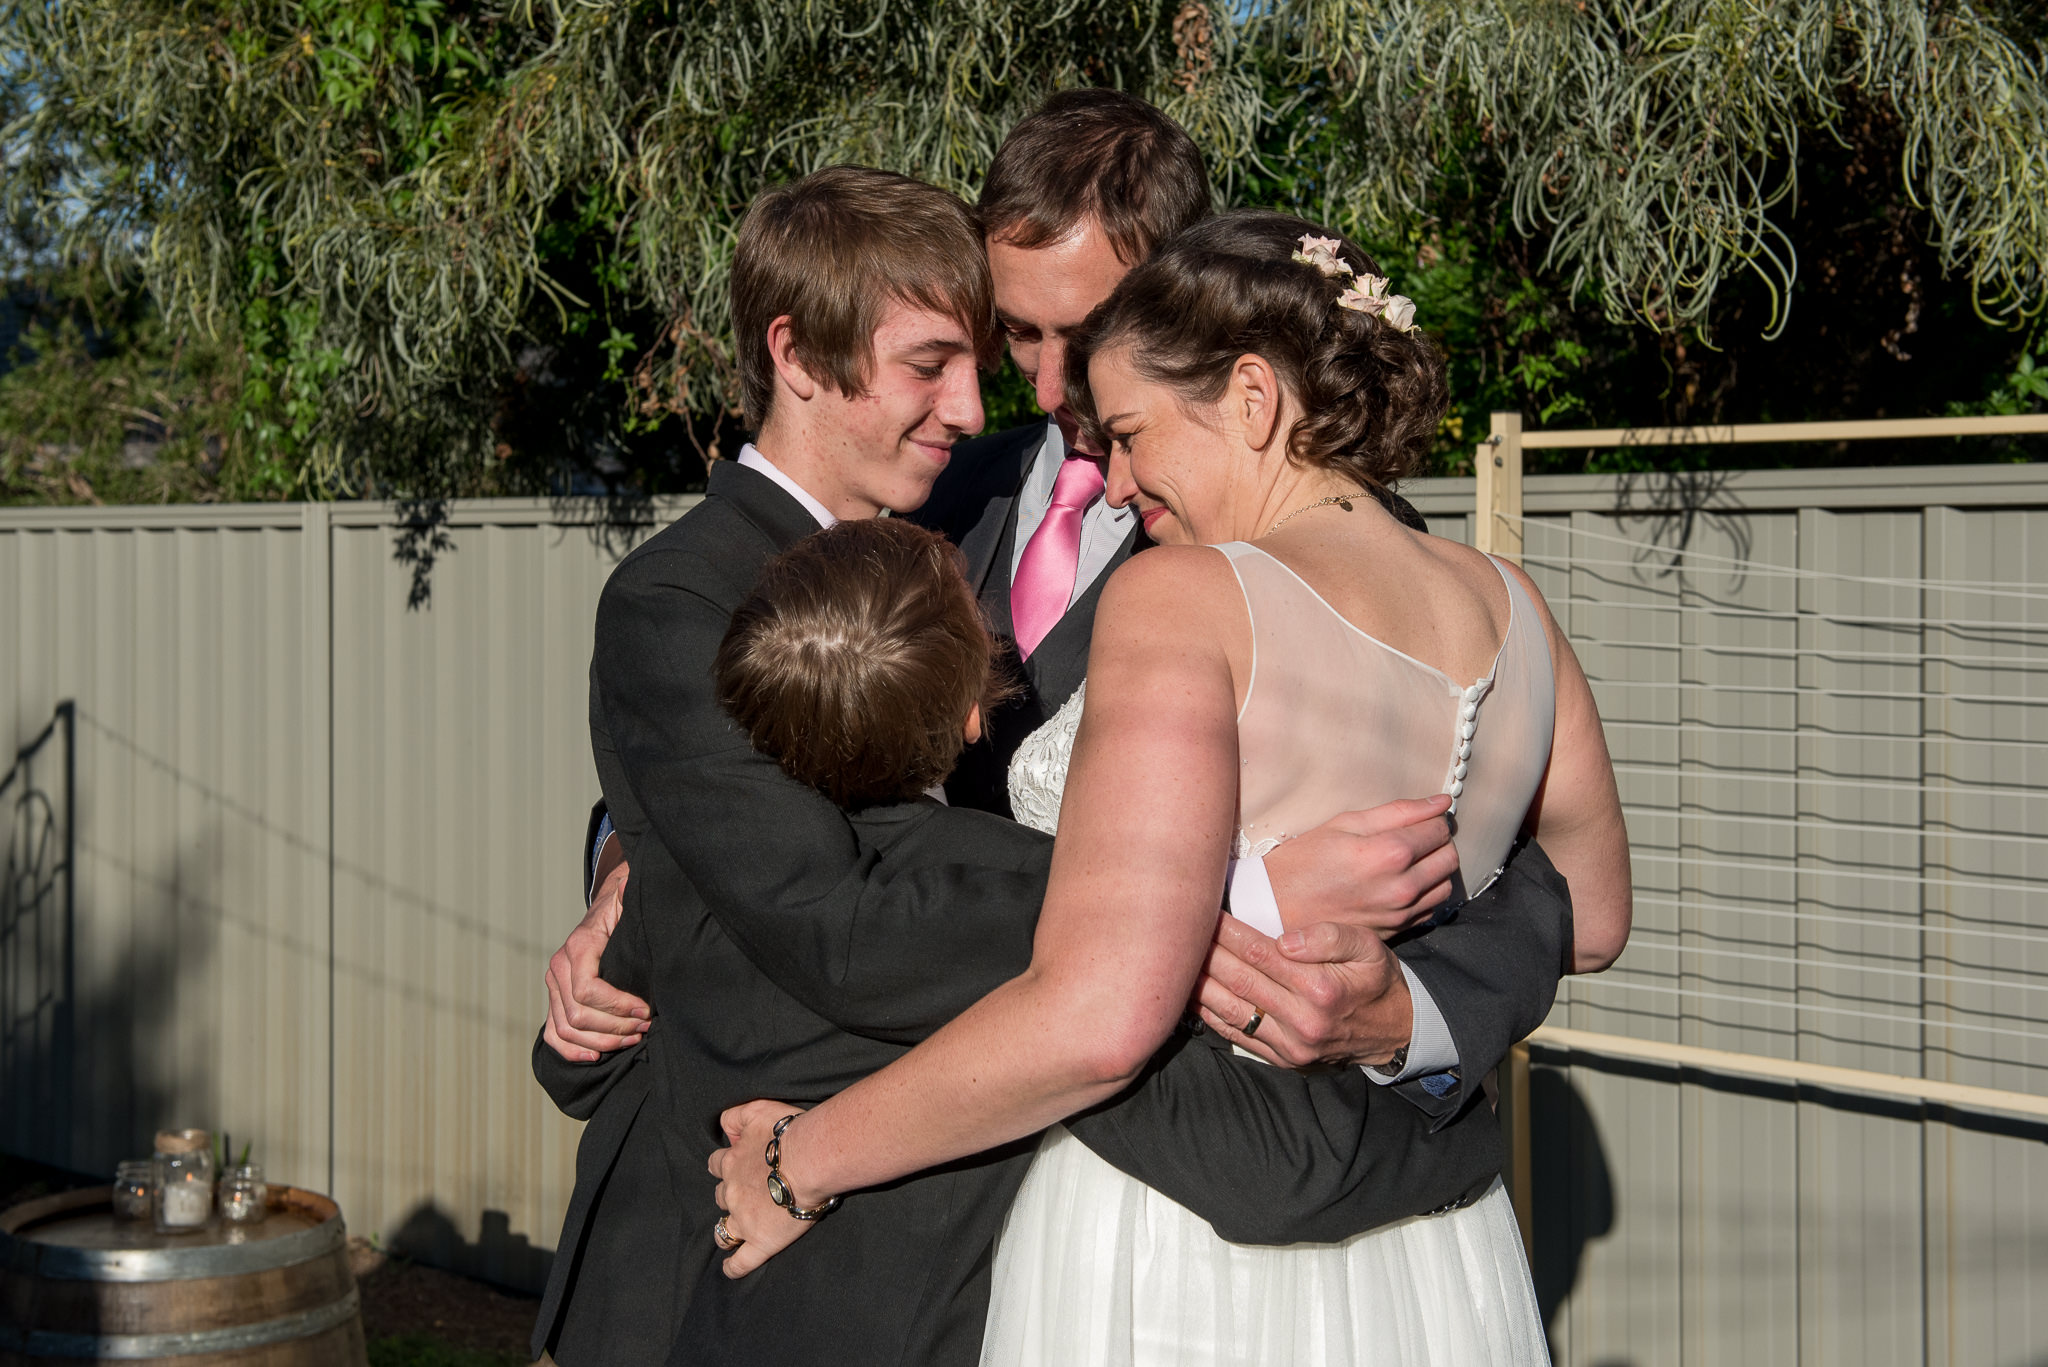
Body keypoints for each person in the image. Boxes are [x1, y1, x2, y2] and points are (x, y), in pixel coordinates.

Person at [528, 164, 1572, 1367]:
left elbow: (1483, 818)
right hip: (762, 1237)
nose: (1008, 398)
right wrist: (1232, 896)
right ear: (797, 355)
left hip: (1084, 1210)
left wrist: (1412, 1018)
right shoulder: (716, 582)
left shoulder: (1322, 542)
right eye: (967, 353)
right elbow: (826, 900)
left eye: (1072, 339)